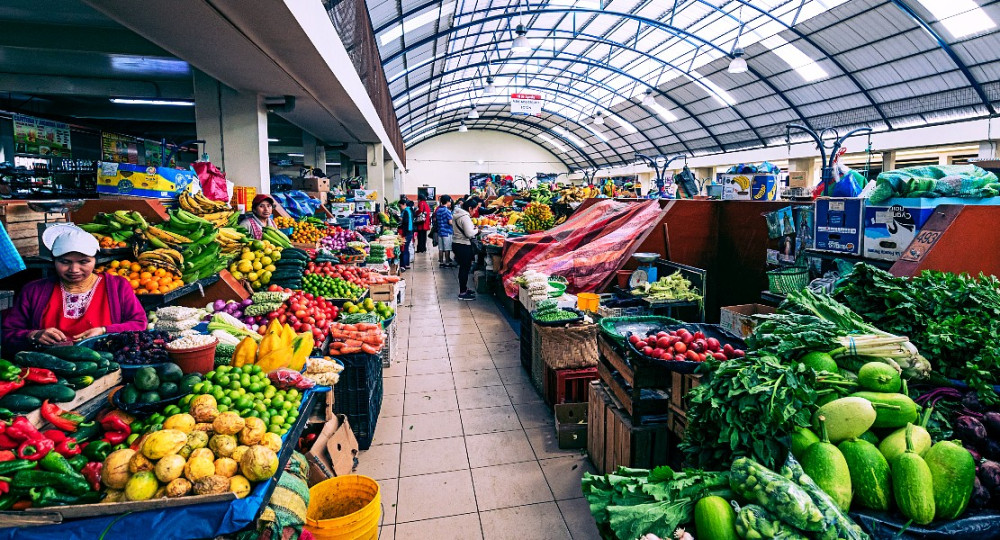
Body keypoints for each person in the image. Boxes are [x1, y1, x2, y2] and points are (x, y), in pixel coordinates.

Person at [3, 225, 147, 354]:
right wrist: (33, 335)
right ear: (54, 261)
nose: (74, 269)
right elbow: (8, 333)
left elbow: (139, 324)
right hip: (48, 370)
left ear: (95, 260)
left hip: (105, 365)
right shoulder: (33, 290)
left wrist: (105, 331)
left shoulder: (117, 286)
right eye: (64, 262)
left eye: (84, 262)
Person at [452, 198, 480, 300]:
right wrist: (477, 230)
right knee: (464, 269)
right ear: (469, 208)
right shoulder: (465, 217)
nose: (475, 212)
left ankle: (464, 289)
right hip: (463, 245)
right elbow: (469, 233)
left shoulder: (458, 214)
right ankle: (463, 293)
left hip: (457, 243)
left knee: (463, 268)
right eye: (475, 209)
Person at [435, 195, 455, 267]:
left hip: (440, 231)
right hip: (447, 232)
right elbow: (450, 222)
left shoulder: (438, 210)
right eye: (450, 201)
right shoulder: (447, 211)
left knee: (440, 248)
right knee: (447, 248)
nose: (450, 203)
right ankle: (447, 262)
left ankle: (441, 262)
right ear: (447, 202)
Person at [399, 199, 416, 272]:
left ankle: (404, 265)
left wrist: (398, 218)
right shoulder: (410, 210)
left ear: (403, 204)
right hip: (410, 231)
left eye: (400, 206)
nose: (400, 208)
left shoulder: (406, 211)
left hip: (407, 232)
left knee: (405, 248)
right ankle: (407, 263)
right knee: (407, 247)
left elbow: (405, 222)